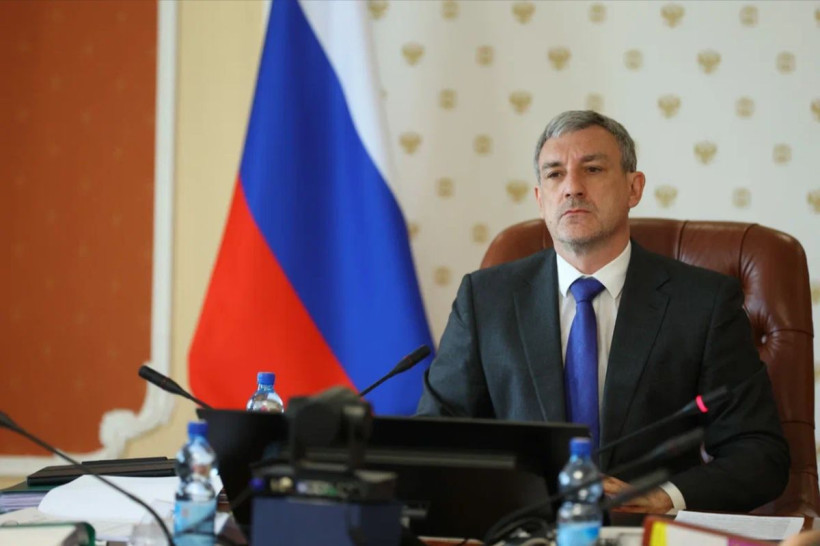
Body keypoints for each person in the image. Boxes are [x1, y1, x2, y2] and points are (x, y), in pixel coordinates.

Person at [417, 110, 789, 513]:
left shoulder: (703, 302)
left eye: (592, 169)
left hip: (648, 531)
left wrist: (665, 498)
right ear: (540, 199)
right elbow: (434, 439)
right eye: (555, 174)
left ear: (634, 188)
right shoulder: (485, 300)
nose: (572, 188)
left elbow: (759, 453)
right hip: (524, 528)